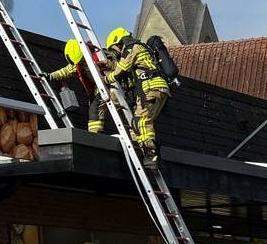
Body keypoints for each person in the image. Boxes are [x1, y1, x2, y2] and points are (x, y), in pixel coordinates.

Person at [102, 27, 172, 165]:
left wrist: (105, 79)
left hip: (150, 88)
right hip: (158, 88)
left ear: (118, 42)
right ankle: (141, 150)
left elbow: (121, 70)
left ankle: (151, 155)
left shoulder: (131, 48)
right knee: (136, 122)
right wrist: (108, 64)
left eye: (114, 49)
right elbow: (127, 66)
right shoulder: (140, 48)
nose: (116, 52)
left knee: (142, 121)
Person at [44, 39, 108, 132]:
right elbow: (66, 71)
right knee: (94, 108)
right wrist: (50, 76)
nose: (80, 63)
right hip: (99, 87)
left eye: (81, 60)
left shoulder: (100, 56)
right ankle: (95, 133)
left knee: (95, 108)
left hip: (108, 84)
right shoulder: (78, 62)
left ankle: (95, 134)